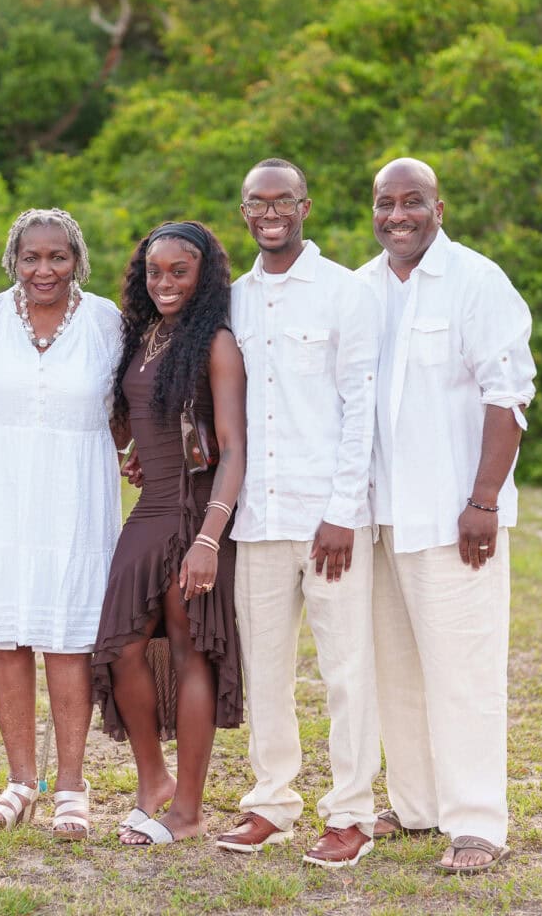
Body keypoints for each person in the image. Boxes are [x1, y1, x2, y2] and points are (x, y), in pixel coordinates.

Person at [357, 157, 535, 875]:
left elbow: (509, 397)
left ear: (439, 206)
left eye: (412, 202)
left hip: (456, 514)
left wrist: (484, 500)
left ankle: (477, 822)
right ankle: (417, 803)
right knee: (395, 666)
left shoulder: (477, 281)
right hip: (380, 516)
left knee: (464, 670)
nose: (398, 216)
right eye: (385, 203)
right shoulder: (362, 288)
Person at [215, 158, 383, 868]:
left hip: (328, 519)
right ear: (246, 211)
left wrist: (343, 512)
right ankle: (272, 802)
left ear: (305, 207)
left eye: (282, 200)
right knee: (267, 668)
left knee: (346, 669)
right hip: (257, 519)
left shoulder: (345, 292)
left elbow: (360, 408)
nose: (270, 212)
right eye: (257, 202)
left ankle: (351, 815)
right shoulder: (232, 299)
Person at [0, 207, 125, 841]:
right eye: (31, 257)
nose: (44, 269)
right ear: (14, 259)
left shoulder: (107, 321)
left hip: (76, 499)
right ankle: (20, 782)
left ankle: (70, 786)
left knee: (68, 637)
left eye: (57, 256)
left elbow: (133, 401)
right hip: (0, 499)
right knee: (6, 636)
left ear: (77, 259)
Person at [91, 221, 247, 846]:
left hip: (193, 516)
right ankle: (151, 781)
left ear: (203, 274)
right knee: (121, 645)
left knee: (188, 653)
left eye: (179, 271)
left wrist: (209, 538)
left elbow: (233, 452)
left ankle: (187, 809)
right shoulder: (146, 333)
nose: (164, 282)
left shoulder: (216, 342)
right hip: (149, 508)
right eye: (155, 271)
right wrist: (141, 452)